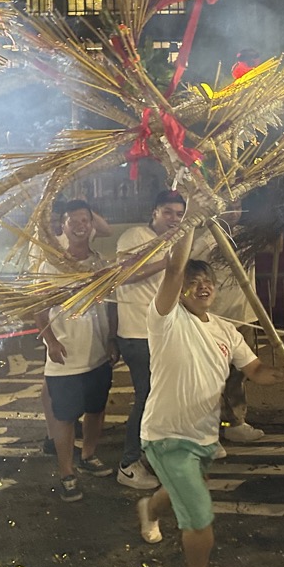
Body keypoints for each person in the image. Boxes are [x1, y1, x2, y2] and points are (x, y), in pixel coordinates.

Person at [135, 237, 284, 567]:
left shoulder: (227, 331)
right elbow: (174, 268)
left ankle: (150, 506)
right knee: (197, 510)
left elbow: (255, 370)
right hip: (166, 436)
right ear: (179, 289)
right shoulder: (165, 319)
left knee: (184, 489)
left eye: (207, 279)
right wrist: (191, 222)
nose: (202, 285)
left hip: (204, 436)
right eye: (192, 281)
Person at [36, 200, 117, 503]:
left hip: (96, 354)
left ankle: (89, 454)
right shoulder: (50, 265)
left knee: (96, 409)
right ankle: (67, 472)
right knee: (64, 417)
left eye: (85, 220)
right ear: (63, 226)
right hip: (65, 359)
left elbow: (111, 307)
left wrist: (111, 341)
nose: (80, 225)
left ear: (92, 225)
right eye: (74, 221)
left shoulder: (100, 263)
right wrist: (52, 342)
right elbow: (39, 310)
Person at [113, 190, 187, 490]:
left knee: (162, 399)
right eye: (168, 212)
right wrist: (164, 263)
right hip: (137, 334)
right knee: (146, 398)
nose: (174, 219)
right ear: (154, 211)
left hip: (165, 333)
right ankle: (128, 464)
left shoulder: (178, 240)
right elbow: (122, 275)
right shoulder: (134, 236)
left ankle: (152, 455)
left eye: (179, 214)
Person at [192, 209, 265, 447]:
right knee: (210, 376)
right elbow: (190, 264)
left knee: (240, 373)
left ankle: (235, 422)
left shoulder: (247, 234)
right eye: (228, 205)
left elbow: (275, 243)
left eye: (238, 204)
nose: (234, 211)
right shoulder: (207, 238)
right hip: (216, 317)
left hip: (244, 315)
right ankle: (205, 428)